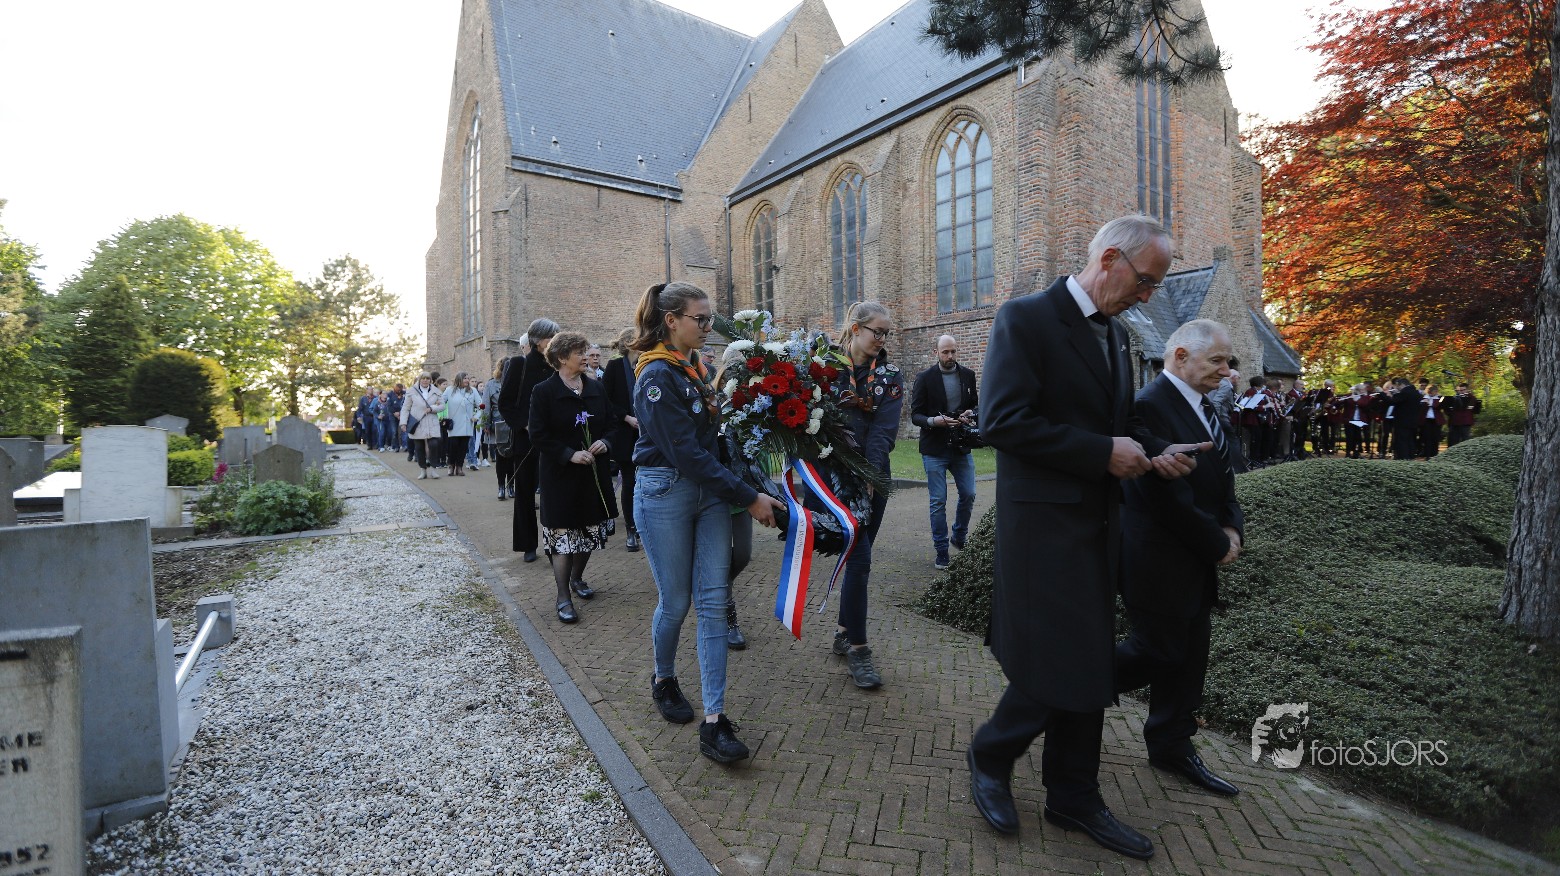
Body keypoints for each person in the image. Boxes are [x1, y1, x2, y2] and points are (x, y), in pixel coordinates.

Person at [967, 214, 1204, 860]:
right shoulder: (1025, 319)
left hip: (1099, 527)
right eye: (1145, 281)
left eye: (1155, 286)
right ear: (1109, 260)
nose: (1148, 296)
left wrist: (1157, 451)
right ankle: (994, 756)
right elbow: (1002, 421)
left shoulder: (1117, 335)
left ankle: (1071, 792)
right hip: (1042, 530)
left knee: (1088, 658)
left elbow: (1121, 420)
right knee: (1064, 659)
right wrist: (1102, 453)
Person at [629, 281, 782, 764]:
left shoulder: (695, 368)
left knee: (714, 604)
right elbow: (685, 453)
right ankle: (663, 677)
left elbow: (712, 440)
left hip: (711, 494)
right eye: (701, 319)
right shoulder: (656, 375)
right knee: (676, 602)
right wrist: (748, 496)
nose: (708, 326)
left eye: (710, 318)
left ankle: (715, 720)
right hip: (666, 492)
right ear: (671, 320)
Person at [1114, 319, 1245, 799]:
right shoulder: (1147, 407)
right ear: (1181, 356)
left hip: (1196, 560)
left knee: (1190, 658)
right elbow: (1160, 497)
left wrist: (1232, 527)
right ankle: (1065, 688)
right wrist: (1217, 543)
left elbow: (1225, 478)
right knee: (1159, 651)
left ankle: (1171, 744)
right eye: (1217, 361)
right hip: (1159, 561)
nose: (1227, 371)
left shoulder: (1205, 407)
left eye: (1228, 361)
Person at [828, 301, 903, 689]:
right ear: (856, 329)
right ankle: (859, 649)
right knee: (860, 559)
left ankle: (844, 631)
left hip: (872, 480)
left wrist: (869, 474)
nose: (882, 339)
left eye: (887, 333)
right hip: (833, 479)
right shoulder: (824, 367)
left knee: (860, 556)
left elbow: (883, 430)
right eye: (878, 331)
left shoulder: (890, 376)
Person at [528, 331, 619, 623]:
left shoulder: (596, 389)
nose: (586, 357)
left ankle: (577, 578)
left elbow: (612, 424)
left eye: (586, 351)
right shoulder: (543, 392)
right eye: (579, 352)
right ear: (561, 357)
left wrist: (605, 442)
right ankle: (563, 596)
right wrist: (568, 454)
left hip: (593, 476)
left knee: (589, 533)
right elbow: (538, 434)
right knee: (563, 536)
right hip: (560, 477)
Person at [910, 334, 979, 570]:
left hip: (961, 446)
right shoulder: (925, 378)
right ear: (936, 353)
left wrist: (970, 414)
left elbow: (974, 405)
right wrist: (934, 421)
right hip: (934, 448)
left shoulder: (968, 375)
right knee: (938, 501)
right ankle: (941, 550)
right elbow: (916, 415)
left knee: (969, 493)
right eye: (945, 352)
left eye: (953, 351)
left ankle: (959, 536)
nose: (950, 356)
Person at [498, 318, 561, 563]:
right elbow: (505, 403)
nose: (554, 340)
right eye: (550, 337)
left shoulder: (558, 364)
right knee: (524, 493)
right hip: (526, 441)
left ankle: (555, 543)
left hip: (553, 440)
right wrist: (524, 424)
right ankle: (528, 545)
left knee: (552, 493)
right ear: (538, 340)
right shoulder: (518, 364)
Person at [603, 328, 642, 551]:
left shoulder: (645, 363)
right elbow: (606, 400)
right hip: (625, 435)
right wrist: (626, 417)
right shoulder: (615, 366)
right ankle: (631, 529)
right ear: (630, 343)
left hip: (645, 435)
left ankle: (643, 526)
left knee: (643, 481)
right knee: (629, 482)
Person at [400, 373, 444, 479]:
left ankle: (433, 469)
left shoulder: (436, 391)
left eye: (427, 378)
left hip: (431, 421)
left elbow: (442, 406)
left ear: (430, 380)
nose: (425, 380)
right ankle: (423, 470)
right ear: (419, 380)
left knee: (434, 445)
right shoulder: (411, 391)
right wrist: (403, 422)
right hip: (417, 422)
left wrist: (432, 408)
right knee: (419, 447)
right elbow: (405, 408)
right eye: (423, 378)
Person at [442, 372, 480, 476]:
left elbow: (481, 405)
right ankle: (451, 465)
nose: (467, 380)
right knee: (453, 445)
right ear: (459, 379)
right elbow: (441, 402)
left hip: (467, 423)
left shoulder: (473, 391)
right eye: (465, 378)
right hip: (454, 424)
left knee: (463, 447)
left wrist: (476, 416)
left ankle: (459, 467)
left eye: (468, 378)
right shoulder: (449, 390)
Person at [484, 360, 513, 498]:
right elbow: (486, 405)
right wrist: (486, 423)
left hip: (513, 422)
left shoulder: (517, 381)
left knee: (513, 456)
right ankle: (501, 486)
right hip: (498, 422)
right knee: (501, 456)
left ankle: (511, 486)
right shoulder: (491, 384)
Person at [1387, 377, 1423, 460]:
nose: (1397, 388)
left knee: (1402, 440)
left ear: (1402, 385)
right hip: (1413, 421)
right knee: (1410, 440)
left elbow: (1393, 401)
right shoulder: (1416, 393)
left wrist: (1383, 394)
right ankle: (1410, 456)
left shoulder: (1405, 393)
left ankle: (1403, 457)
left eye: (1398, 386)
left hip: (1402, 421)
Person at [1418, 383, 1445, 459]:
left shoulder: (1439, 398)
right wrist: (1425, 402)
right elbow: (1420, 409)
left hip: (1436, 420)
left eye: (1436, 391)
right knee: (1427, 437)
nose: (1435, 393)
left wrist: (1431, 403)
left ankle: (1435, 454)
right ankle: (1427, 454)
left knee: (1435, 437)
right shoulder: (1423, 398)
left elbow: (1438, 406)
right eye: (1434, 391)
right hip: (1426, 420)